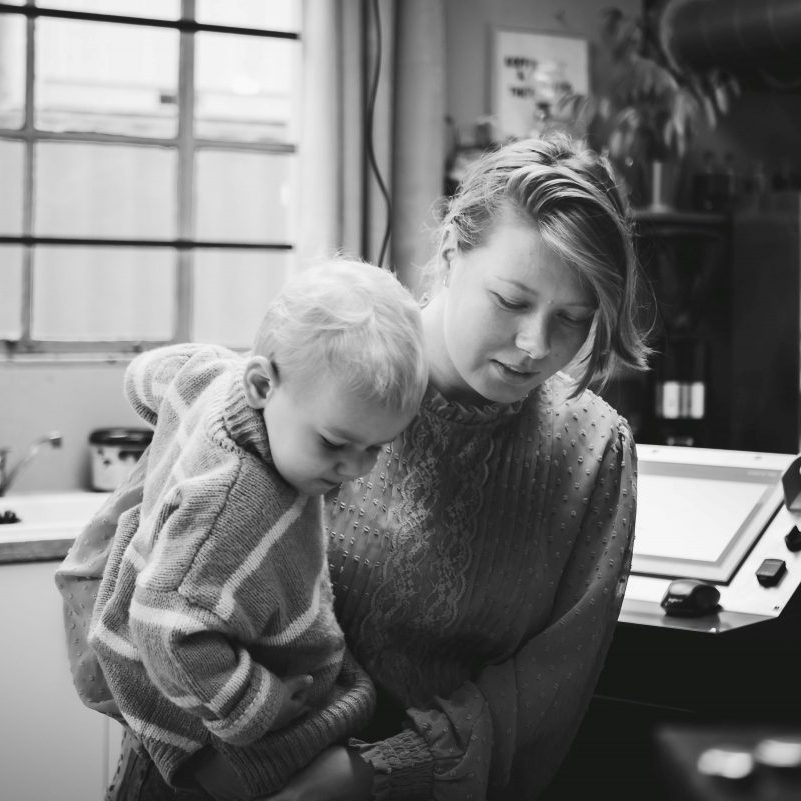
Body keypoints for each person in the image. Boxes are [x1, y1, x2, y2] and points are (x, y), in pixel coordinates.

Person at [263, 132, 651, 801]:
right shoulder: (321, 363)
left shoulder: (593, 448)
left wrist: (367, 774)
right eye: (509, 300)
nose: (534, 345)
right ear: (450, 253)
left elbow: (543, 688)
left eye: (573, 319)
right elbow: (151, 580)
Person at [56, 258, 428, 800]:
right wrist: (260, 704)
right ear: (261, 384)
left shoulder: (214, 374)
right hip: (209, 724)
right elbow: (164, 628)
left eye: (375, 447)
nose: (356, 469)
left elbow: (150, 378)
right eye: (333, 443)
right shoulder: (236, 505)